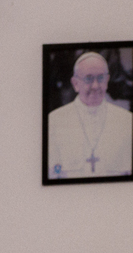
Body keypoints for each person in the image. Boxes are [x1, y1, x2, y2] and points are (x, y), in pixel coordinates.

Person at [47, 50, 133, 180]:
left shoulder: (127, 121)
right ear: (75, 84)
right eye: (88, 78)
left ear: (107, 81)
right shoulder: (54, 122)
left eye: (101, 78)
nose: (95, 86)